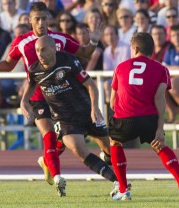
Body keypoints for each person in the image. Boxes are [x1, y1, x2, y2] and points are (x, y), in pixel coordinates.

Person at [0, 1, 104, 195]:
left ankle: (47, 161)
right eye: (37, 19)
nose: (41, 22)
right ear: (30, 20)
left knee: (67, 140)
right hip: (38, 97)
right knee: (49, 136)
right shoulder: (21, 42)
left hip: (63, 97)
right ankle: (59, 180)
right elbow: (8, 65)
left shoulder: (60, 39)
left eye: (45, 18)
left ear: (49, 19)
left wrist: (93, 41)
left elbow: (84, 53)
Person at [20, 35, 117, 197]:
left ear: (54, 49)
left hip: (86, 112)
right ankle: (118, 182)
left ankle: (108, 161)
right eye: (37, 50)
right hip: (65, 120)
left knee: (111, 152)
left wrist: (94, 108)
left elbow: (92, 87)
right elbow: (30, 85)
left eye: (43, 49)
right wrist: (24, 101)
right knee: (78, 148)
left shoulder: (68, 61)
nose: (39, 54)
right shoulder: (34, 70)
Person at [108, 32, 179, 200]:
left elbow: (112, 102)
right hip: (149, 118)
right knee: (160, 146)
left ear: (135, 49)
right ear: (151, 50)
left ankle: (124, 190)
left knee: (115, 142)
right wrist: (160, 127)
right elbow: (160, 98)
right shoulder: (162, 69)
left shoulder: (120, 67)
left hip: (124, 118)